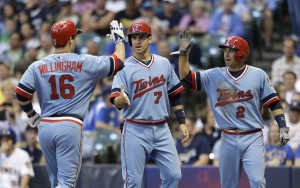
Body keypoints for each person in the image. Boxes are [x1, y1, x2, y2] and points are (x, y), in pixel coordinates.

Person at [14, 19, 125, 188]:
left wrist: (32, 115)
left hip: (46, 126)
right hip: (69, 125)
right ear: (71, 39)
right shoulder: (85, 62)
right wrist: (118, 39)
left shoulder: (37, 65)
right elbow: (119, 62)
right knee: (66, 183)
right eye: (74, 36)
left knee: (56, 182)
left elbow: (21, 93)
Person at [177, 32, 289, 188]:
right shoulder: (214, 74)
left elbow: (274, 103)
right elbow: (185, 77)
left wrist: (283, 126)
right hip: (228, 137)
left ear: (242, 53)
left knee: (257, 181)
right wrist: (183, 52)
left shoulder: (258, 75)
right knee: (228, 185)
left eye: (231, 50)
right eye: (225, 50)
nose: (226, 54)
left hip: (252, 136)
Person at [109, 21, 189, 188]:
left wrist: (181, 122)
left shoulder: (163, 63)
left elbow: (175, 95)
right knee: (133, 183)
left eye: (142, 37)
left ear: (150, 39)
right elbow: (116, 99)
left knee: (174, 175)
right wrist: (120, 100)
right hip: (135, 129)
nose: (137, 41)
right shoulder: (124, 68)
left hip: (161, 128)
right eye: (134, 38)